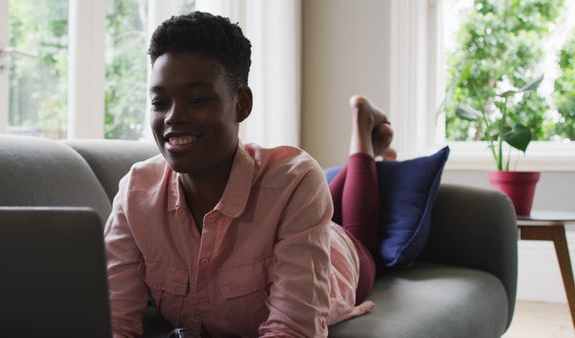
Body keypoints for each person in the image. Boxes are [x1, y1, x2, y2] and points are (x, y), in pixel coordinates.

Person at [104, 11, 394, 338]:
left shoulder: (294, 180)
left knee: (360, 237)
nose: (173, 117)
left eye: (197, 100)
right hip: (299, 209)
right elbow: (113, 322)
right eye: (159, 102)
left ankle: (364, 138)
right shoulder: (135, 196)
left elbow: (292, 330)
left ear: (241, 104)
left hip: (338, 256)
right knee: (318, 194)